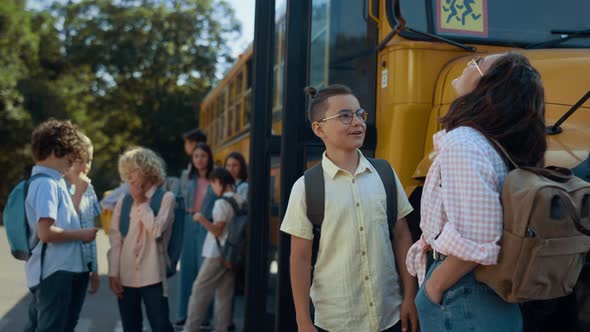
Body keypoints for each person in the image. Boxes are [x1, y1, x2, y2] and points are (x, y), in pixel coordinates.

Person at [406, 52, 546, 332]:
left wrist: (433, 289)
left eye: (478, 62)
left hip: (462, 291)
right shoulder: (495, 140)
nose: (470, 62)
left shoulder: (463, 142)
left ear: (487, 85)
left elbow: (479, 237)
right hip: (488, 290)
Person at [281, 85, 419, 332]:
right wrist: (303, 320)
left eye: (360, 114)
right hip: (336, 322)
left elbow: (401, 236)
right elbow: (299, 258)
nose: (357, 122)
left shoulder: (385, 174)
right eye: (345, 115)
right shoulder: (305, 187)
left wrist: (410, 296)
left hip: (390, 317)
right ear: (319, 128)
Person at [24, 119, 98, 332]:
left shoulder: (53, 183)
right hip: (55, 272)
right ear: (56, 151)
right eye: (70, 156)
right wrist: (81, 234)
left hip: (58, 270)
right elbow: (46, 233)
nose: (72, 163)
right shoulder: (47, 185)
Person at [107, 147, 175, 332]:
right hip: (126, 275)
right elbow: (116, 239)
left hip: (153, 275)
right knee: (131, 326)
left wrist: (141, 203)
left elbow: (157, 231)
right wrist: (113, 272)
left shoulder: (166, 198)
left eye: (132, 171)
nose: (129, 177)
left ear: (148, 170)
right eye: (126, 173)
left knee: (160, 325)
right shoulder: (124, 201)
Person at [185, 167, 244, 332]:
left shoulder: (221, 203)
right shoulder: (240, 200)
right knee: (224, 296)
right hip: (231, 254)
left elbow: (218, 230)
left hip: (216, 254)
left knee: (199, 290)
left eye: (213, 184)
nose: (212, 188)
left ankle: (190, 328)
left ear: (219, 182)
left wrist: (201, 219)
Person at [176, 142, 218, 328]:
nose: (200, 159)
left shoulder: (216, 177)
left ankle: (204, 317)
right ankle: (183, 314)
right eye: (196, 156)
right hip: (188, 221)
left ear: (209, 157)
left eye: (203, 156)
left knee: (204, 272)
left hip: (207, 224)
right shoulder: (186, 177)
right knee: (187, 270)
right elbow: (177, 202)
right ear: (192, 159)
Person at [63, 132, 101, 296]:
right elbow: (64, 224)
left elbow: (91, 231)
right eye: (80, 161)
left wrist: (95, 269)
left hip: (84, 266)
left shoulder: (89, 188)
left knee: (72, 319)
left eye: (89, 160)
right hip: (64, 268)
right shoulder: (59, 187)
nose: (86, 167)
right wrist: (78, 192)